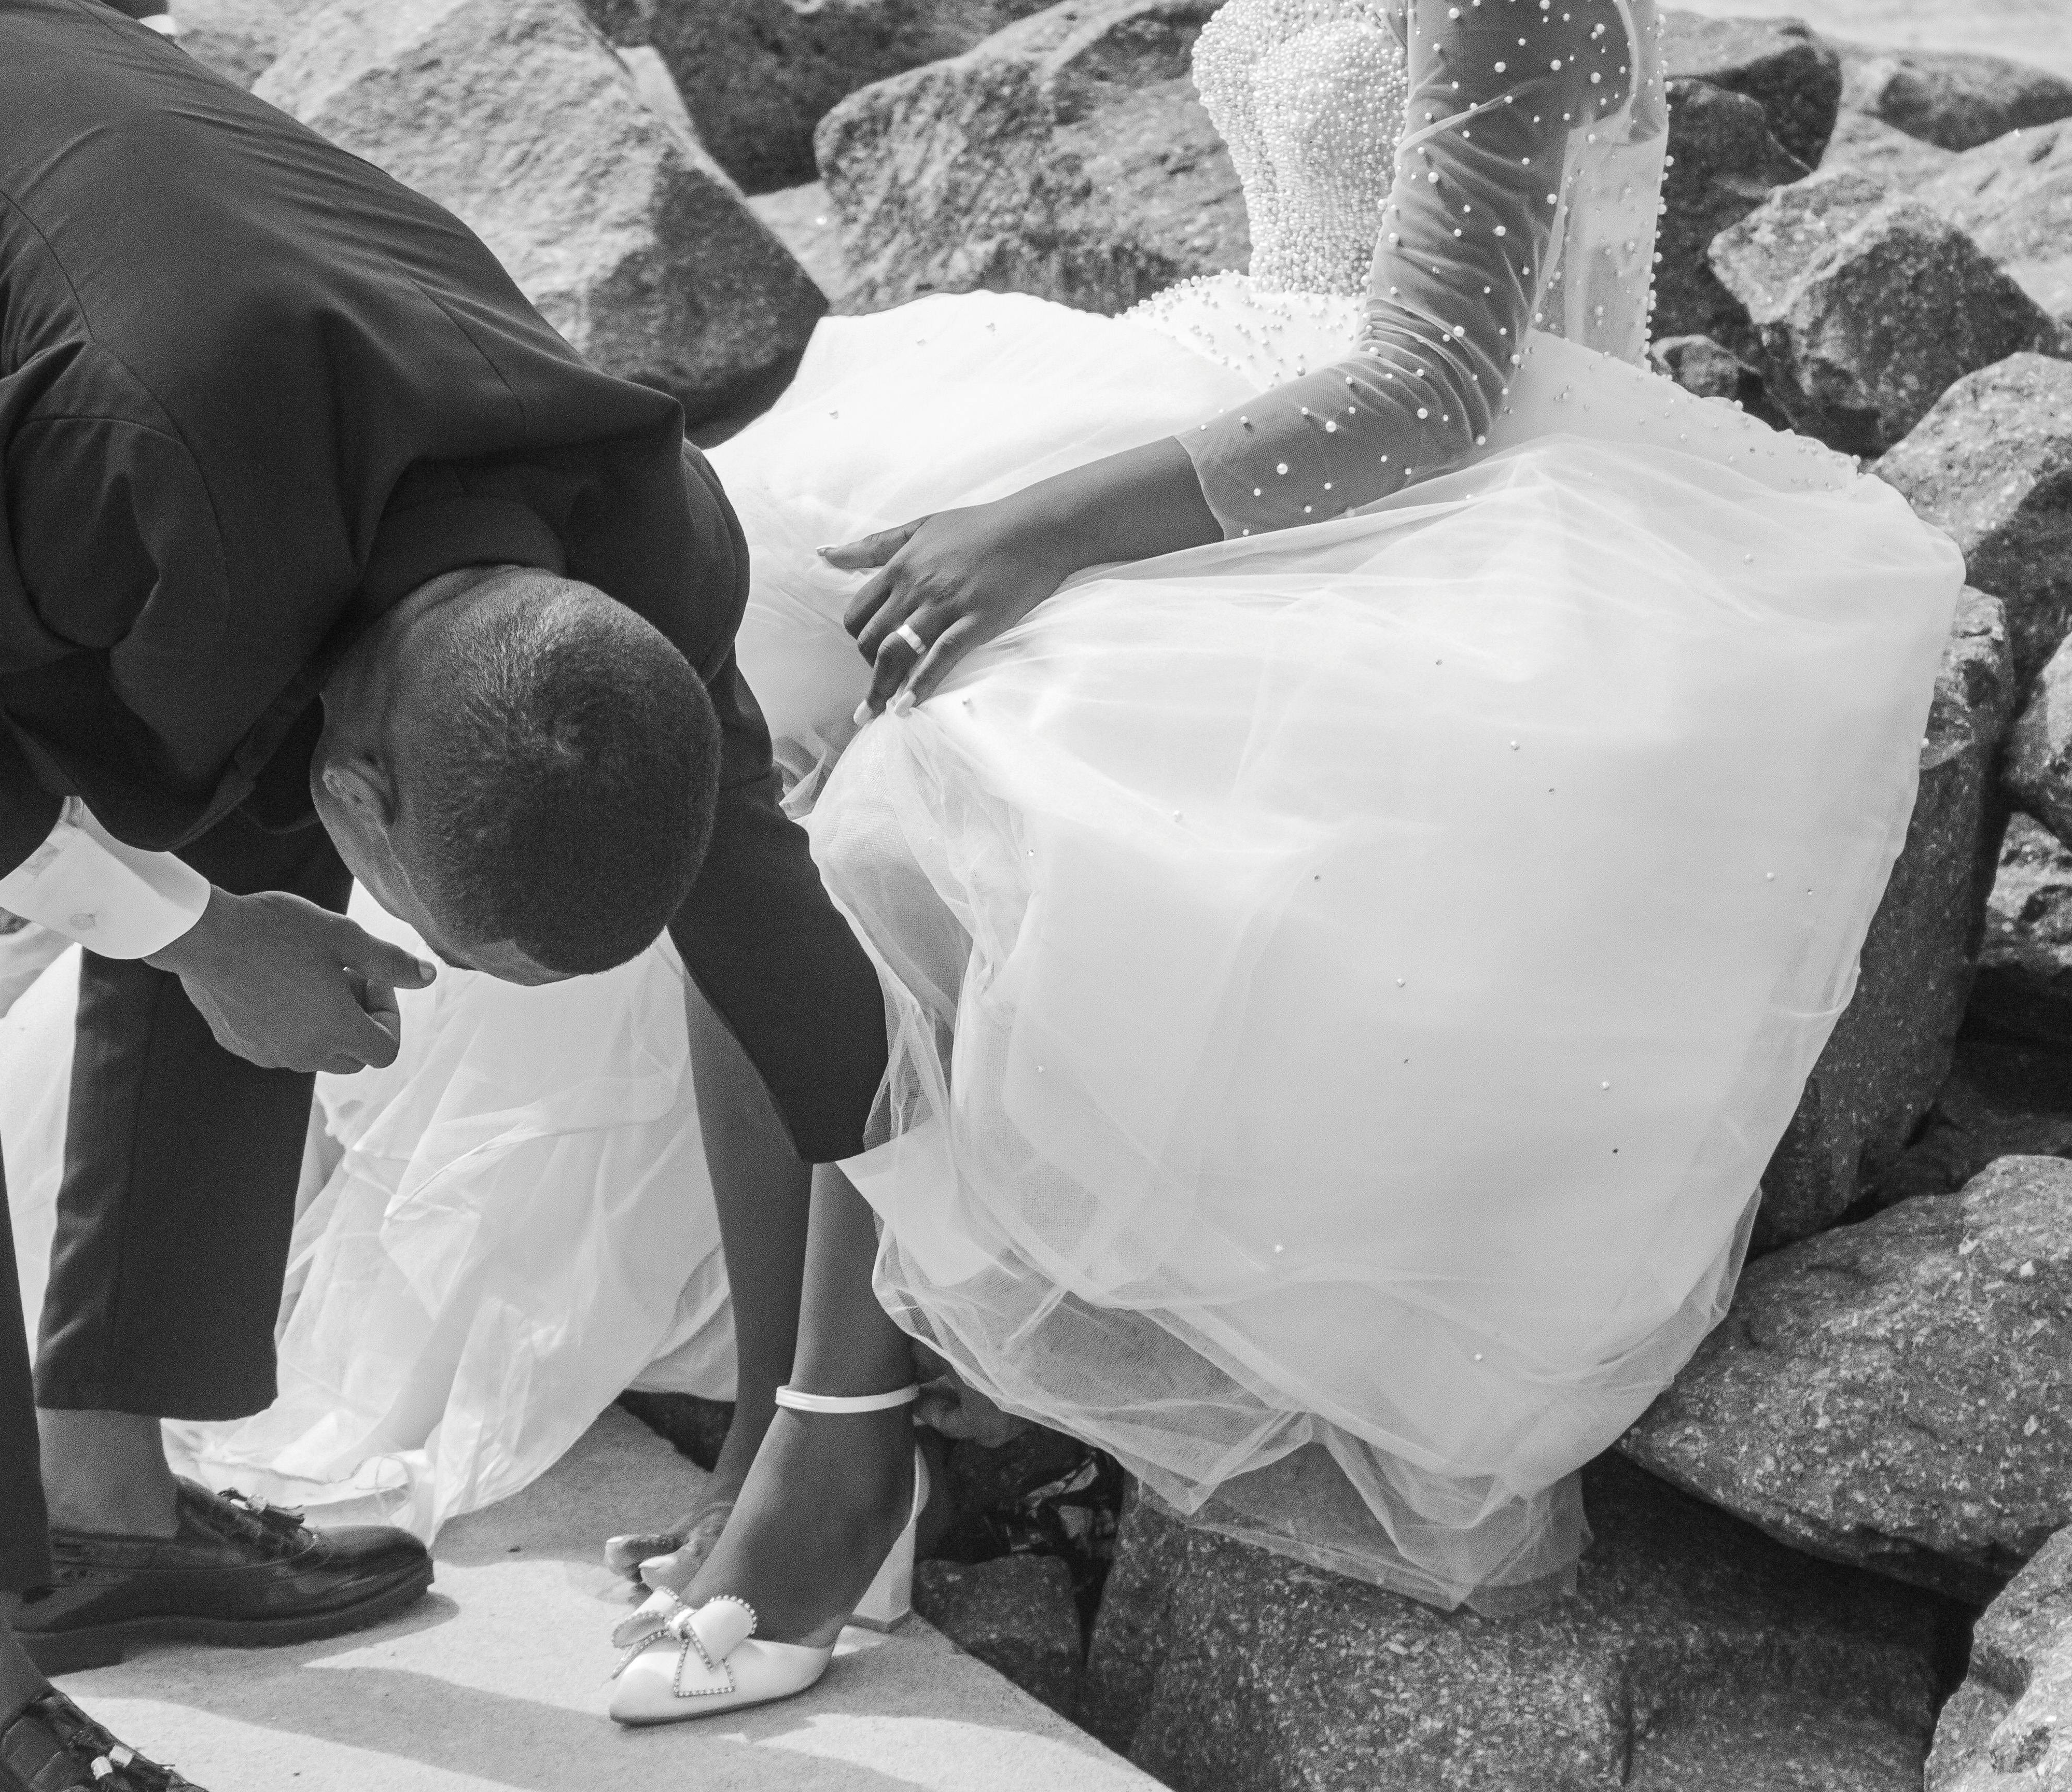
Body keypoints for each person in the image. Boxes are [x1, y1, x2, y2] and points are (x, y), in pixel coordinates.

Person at [283, 0, 1962, 1724]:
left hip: (1444, 491)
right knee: (741, 678)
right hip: (1253, 397)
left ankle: (841, 1466)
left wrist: (1045, 526)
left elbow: (1439, 381)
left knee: (910, 802)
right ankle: (783, 1420)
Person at [0, 3, 887, 1788]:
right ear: (377, 801)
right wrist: (194, 932)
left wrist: (853, 1408)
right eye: (436, 927)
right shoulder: (137, 463)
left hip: (31, 269)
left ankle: (101, 1513)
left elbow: (783, 942)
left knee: (235, 782)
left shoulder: (648, 556)